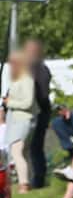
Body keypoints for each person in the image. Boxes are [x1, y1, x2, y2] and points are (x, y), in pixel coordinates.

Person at [3, 51, 34, 189]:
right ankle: (27, 180)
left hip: (22, 119)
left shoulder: (27, 79)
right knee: (20, 152)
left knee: (17, 151)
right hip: (13, 120)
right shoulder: (15, 80)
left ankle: (24, 184)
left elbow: (28, 102)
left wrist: (10, 102)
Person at [23, 39, 50, 190]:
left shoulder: (40, 70)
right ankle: (28, 179)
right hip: (28, 113)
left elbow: (43, 95)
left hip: (39, 113)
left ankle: (38, 179)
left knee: (35, 147)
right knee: (27, 148)